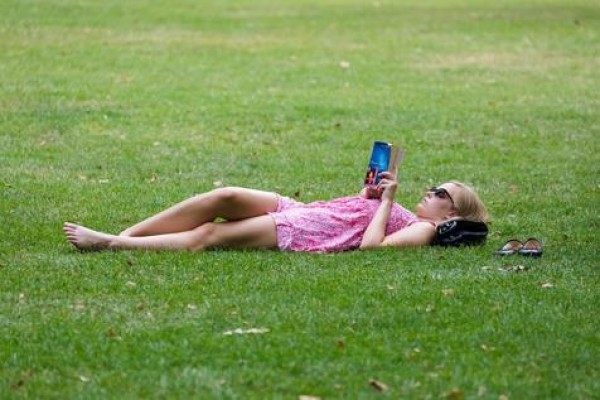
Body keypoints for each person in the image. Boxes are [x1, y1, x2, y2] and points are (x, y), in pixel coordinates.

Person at [63, 171, 488, 253]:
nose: (430, 192)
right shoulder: (410, 216)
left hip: (310, 232)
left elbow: (372, 246)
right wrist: (369, 196)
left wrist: (388, 203)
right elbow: (355, 214)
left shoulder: (425, 231)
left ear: (449, 213)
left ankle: (112, 243)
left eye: (439, 193)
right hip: (308, 210)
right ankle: (131, 233)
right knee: (225, 196)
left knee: (213, 235)